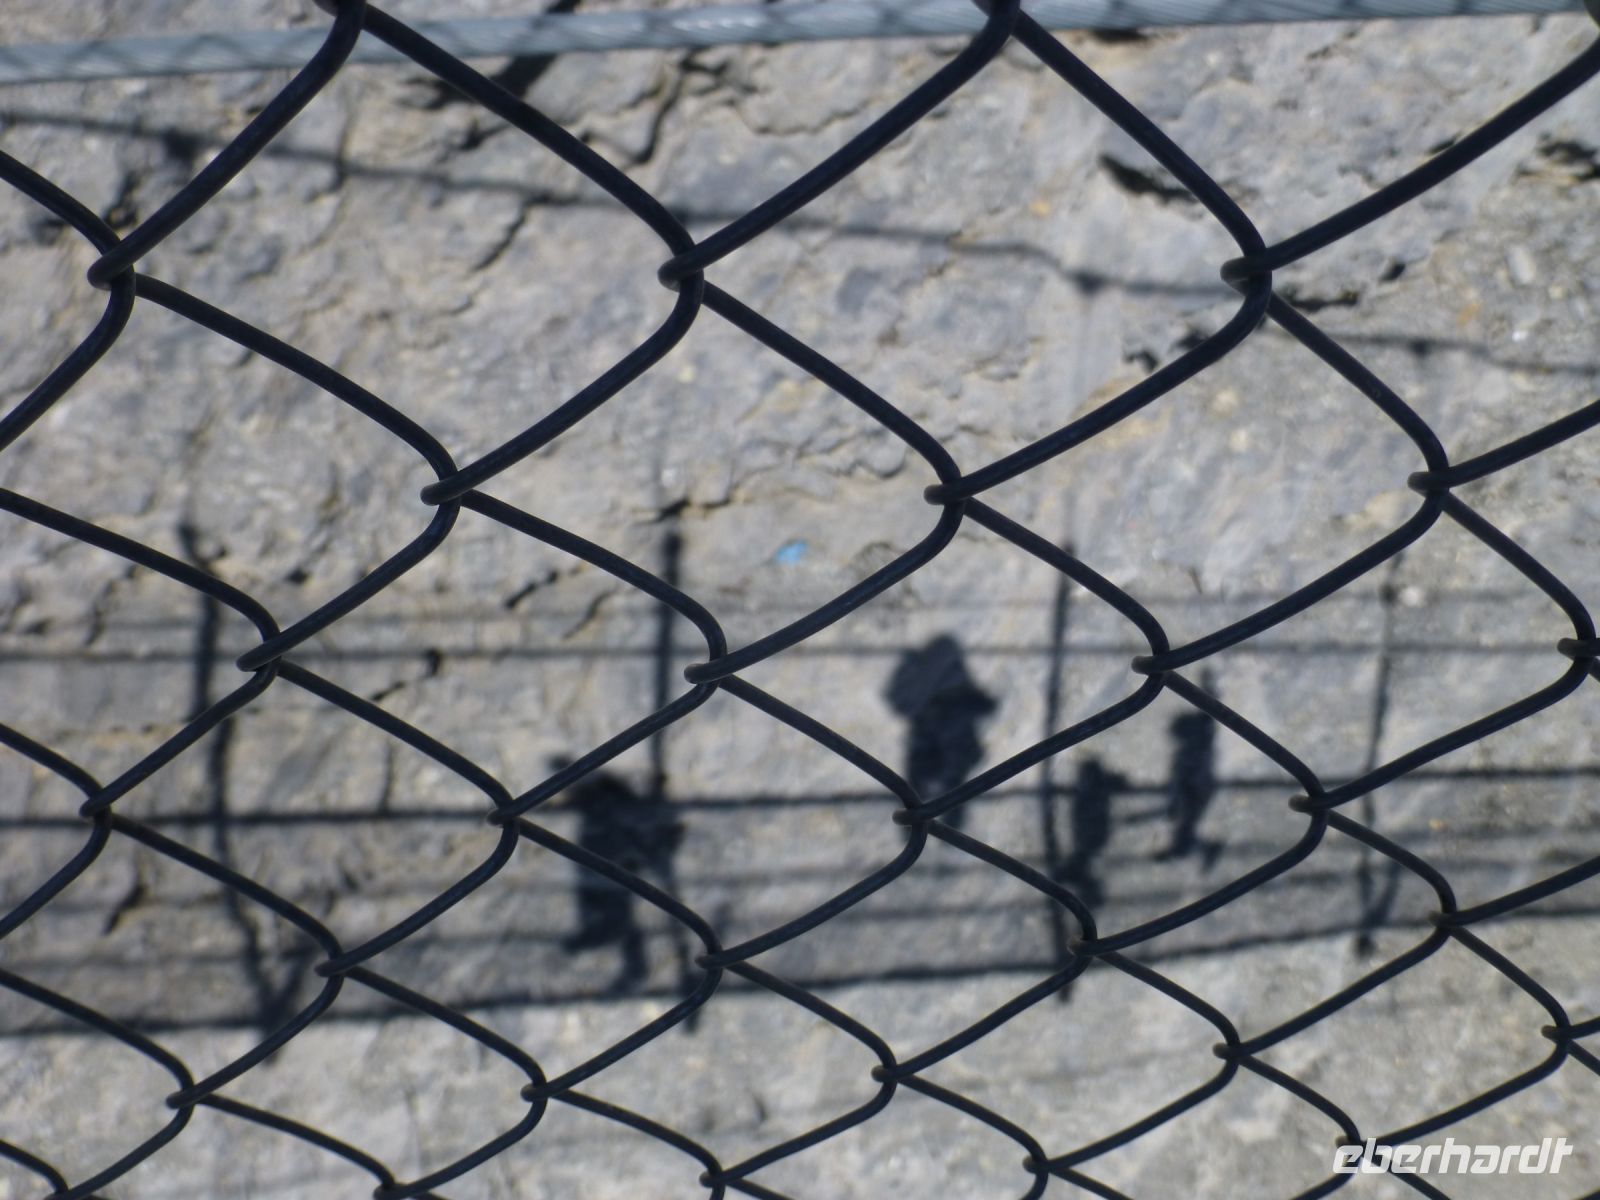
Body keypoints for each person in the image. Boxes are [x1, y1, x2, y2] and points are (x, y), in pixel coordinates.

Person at [556, 760, 685, 995]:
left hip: (616, 860)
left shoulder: (611, 800)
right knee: (603, 900)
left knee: (613, 904)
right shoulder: (605, 799)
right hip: (608, 859)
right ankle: (609, 940)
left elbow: (644, 833)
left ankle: (623, 954)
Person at [885, 635, 997, 831]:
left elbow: (980, 702)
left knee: (940, 796)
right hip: (935, 749)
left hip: (945, 749)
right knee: (926, 797)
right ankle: (930, 834)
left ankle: (942, 834)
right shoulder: (920, 676)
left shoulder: (945, 678)